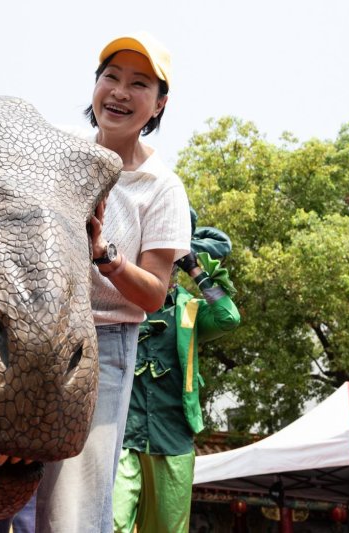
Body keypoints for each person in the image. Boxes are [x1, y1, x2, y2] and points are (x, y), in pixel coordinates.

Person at [0, 30, 190, 532]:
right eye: (110, 77)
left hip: (103, 346)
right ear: (94, 86)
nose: (119, 92)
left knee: (72, 509)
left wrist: (107, 257)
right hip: (22, 329)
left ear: (160, 103)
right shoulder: (52, 148)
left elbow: (156, 292)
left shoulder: (162, 188)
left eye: (139, 84)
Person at [112, 209, 241, 533]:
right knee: (110, 522)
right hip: (123, 435)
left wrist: (196, 268)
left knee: (169, 528)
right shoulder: (120, 306)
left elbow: (228, 317)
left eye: (167, 261)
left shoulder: (191, 312)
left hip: (172, 436)